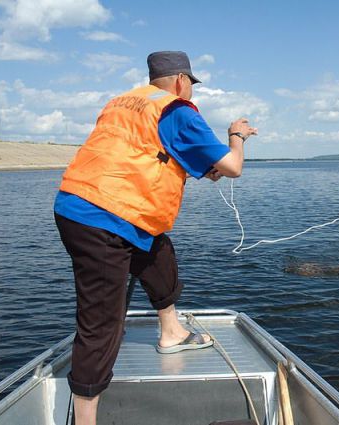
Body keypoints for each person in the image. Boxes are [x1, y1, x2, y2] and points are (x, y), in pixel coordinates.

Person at [53, 51, 257, 425]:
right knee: (101, 322)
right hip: (101, 217)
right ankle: (85, 419)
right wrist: (237, 136)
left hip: (83, 205)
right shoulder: (178, 109)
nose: (191, 92)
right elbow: (233, 167)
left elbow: (146, 153)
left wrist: (201, 167)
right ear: (181, 81)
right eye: (191, 85)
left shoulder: (124, 103)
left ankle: (172, 331)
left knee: (158, 252)